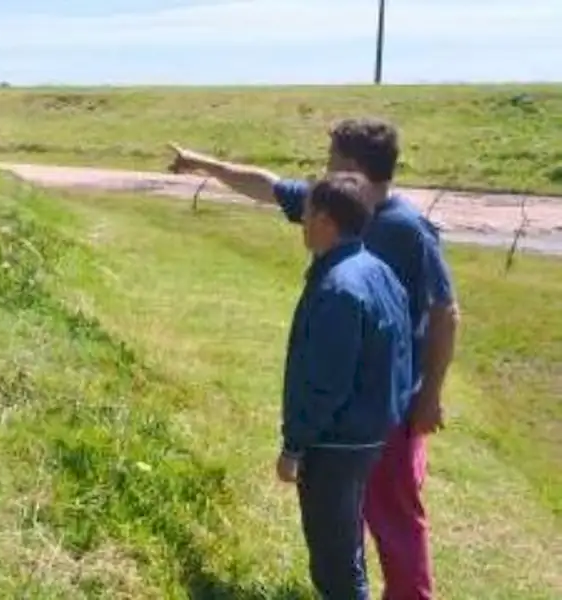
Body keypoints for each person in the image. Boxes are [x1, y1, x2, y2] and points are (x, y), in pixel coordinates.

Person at [169, 117, 459, 600]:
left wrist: (429, 396)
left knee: (394, 513)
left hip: (392, 403)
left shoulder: (408, 231)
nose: (320, 174)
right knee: (350, 513)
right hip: (356, 404)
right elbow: (265, 185)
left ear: (354, 169)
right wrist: (203, 163)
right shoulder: (337, 210)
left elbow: (445, 312)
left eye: (330, 162)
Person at [278, 172, 413, 599]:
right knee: (345, 543)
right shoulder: (379, 271)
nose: (302, 219)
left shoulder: (339, 288)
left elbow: (326, 383)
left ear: (326, 219)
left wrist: (293, 446)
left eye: (308, 211)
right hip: (370, 434)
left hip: (335, 443)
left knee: (334, 559)